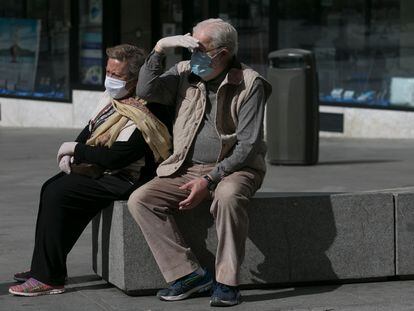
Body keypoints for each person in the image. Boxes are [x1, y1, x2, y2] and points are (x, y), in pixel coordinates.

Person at [127, 18, 272, 307]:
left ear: (223, 53)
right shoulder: (184, 73)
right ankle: (189, 274)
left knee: (228, 197)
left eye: (199, 48)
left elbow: (248, 145)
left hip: (236, 169)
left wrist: (210, 181)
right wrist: (159, 49)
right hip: (186, 167)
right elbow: (145, 92)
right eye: (189, 46)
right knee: (141, 199)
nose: (192, 54)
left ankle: (227, 282)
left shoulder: (249, 83)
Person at [8, 44, 172, 297]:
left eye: (117, 75)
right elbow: (90, 130)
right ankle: (44, 267)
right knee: (51, 187)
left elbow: (119, 157)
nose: (110, 79)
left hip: (127, 179)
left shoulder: (148, 109)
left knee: (60, 194)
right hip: (104, 171)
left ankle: (48, 278)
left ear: (136, 79)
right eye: (108, 71)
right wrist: (73, 153)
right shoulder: (111, 99)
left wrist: (77, 150)